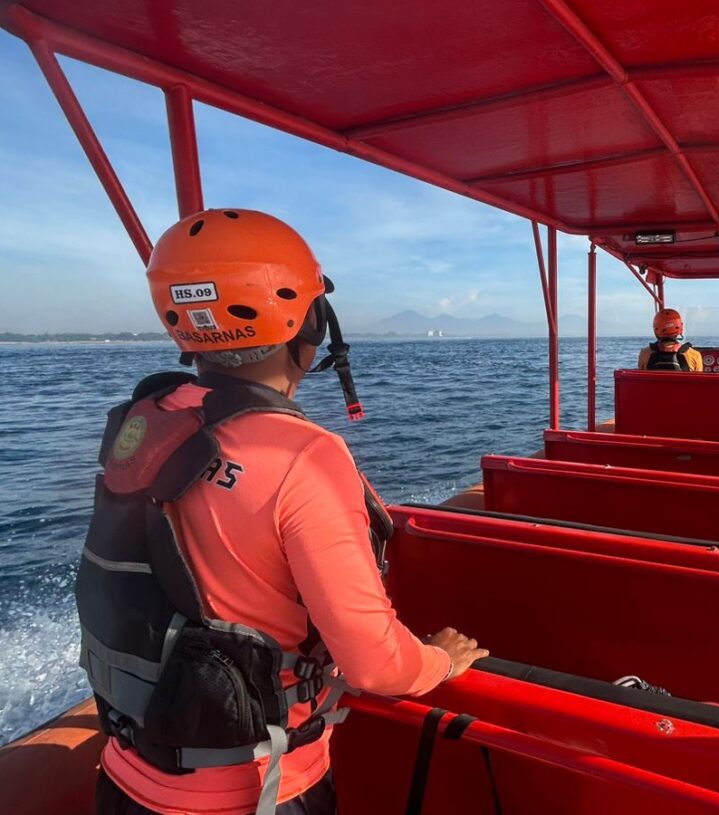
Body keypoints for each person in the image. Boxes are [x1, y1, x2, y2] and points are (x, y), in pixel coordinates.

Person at [76, 209, 488, 815]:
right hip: (255, 792)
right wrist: (439, 661)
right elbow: (375, 665)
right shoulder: (302, 456)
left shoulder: (143, 420)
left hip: (123, 779)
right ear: (311, 322)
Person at [637, 308, 704, 371]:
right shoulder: (694, 355)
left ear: (656, 329)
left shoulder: (644, 354)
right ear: (680, 328)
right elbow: (699, 379)